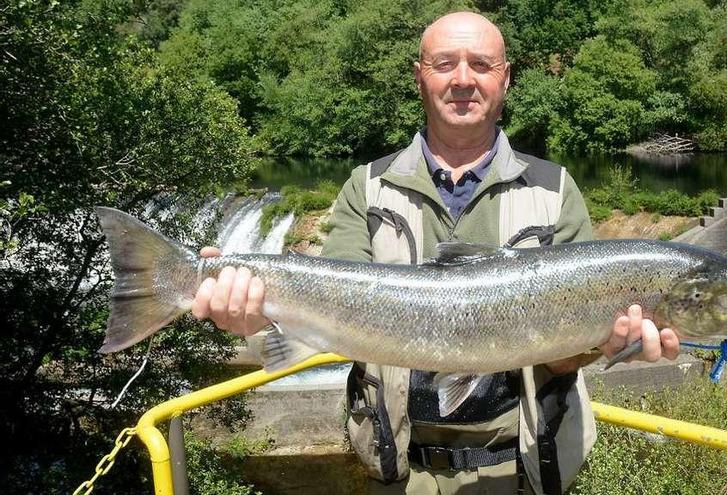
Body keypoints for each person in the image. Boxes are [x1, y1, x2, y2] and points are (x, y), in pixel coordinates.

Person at [193, 11, 680, 495]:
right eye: (445, 63)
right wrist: (258, 315)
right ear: (419, 77)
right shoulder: (365, 188)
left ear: (505, 79)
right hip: (399, 467)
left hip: (526, 466)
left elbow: (564, 360)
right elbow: (326, 303)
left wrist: (602, 344)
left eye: (481, 65)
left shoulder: (555, 190)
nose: (463, 79)